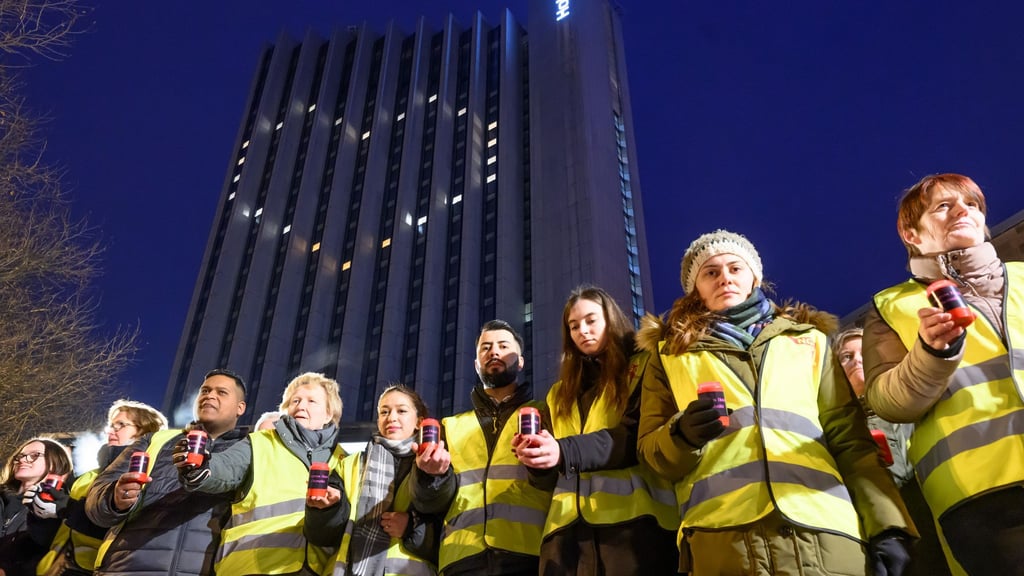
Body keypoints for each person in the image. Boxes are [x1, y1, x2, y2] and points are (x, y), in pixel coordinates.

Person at [636, 229, 916, 576]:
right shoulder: (668, 357)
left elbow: (851, 442)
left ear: (755, 276)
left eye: (735, 268)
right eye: (711, 272)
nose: (724, 277)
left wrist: (886, 526)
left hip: (826, 534)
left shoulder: (810, 341)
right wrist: (681, 437)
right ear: (696, 288)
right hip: (724, 542)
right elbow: (651, 454)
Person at [863, 173, 1024, 575]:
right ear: (911, 233)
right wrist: (933, 354)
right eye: (943, 206)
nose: (962, 212)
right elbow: (888, 401)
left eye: (971, 205)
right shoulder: (891, 307)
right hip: (983, 496)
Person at [513, 286, 679, 575]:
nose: (582, 331)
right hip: (566, 537)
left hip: (633, 529)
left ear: (611, 319)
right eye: (574, 326)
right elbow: (549, 475)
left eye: (591, 320)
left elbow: (635, 438)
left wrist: (562, 451)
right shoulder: (557, 394)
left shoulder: (642, 366)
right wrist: (537, 461)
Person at [411, 320, 552, 576]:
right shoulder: (450, 426)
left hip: (531, 554)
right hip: (461, 557)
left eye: (503, 346)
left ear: (521, 361)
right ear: (476, 365)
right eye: (485, 348)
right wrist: (430, 476)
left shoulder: (546, 413)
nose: (494, 352)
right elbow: (427, 502)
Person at [177, 371, 346, 576]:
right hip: (251, 568)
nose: (301, 406)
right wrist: (201, 467)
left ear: (329, 414)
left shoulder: (343, 460)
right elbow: (225, 467)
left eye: (312, 401)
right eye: (295, 401)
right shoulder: (260, 442)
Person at [86, 369, 247, 576]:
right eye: (205, 390)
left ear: (240, 407)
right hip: (127, 567)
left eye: (221, 392)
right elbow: (96, 496)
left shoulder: (252, 451)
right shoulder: (155, 440)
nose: (210, 395)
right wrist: (114, 499)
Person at [307, 384, 443, 575]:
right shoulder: (349, 464)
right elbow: (324, 535)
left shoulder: (435, 462)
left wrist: (412, 527)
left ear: (419, 421)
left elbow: (449, 527)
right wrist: (327, 510)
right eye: (384, 412)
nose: (391, 418)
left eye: (401, 411)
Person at [37, 399, 167, 576]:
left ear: (144, 433)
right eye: (111, 425)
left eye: (121, 425)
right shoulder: (87, 477)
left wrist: (67, 509)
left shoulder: (148, 477)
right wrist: (39, 513)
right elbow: (54, 535)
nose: (111, 431)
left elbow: (123, 531)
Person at [0, 438, 73, 576]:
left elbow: (46, 551)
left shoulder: (59, 508)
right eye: (19, 456)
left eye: (34, 455)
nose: (23, 460)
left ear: (54, 463)